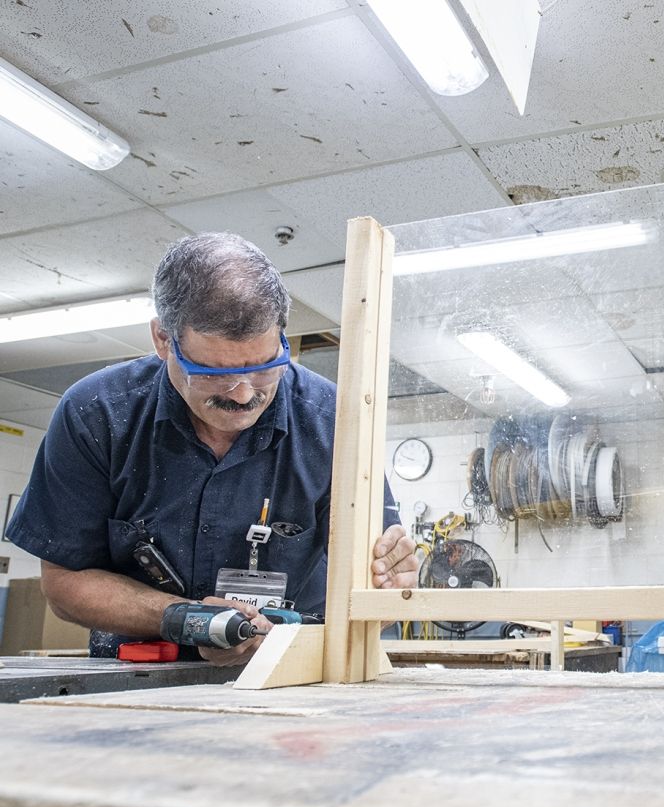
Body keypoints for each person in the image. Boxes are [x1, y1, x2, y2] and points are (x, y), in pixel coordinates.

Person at [6, 232, 418, 665]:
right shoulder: (97, 414)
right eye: (213, 373)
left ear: (282, 336)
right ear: (164, 340)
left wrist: (391, 580)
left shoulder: (335, 420)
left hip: (294, 669)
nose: (242, 396)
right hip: (142, 672)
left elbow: (376, 588)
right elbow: (64, 584)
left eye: (264, 368)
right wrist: (189, 620)